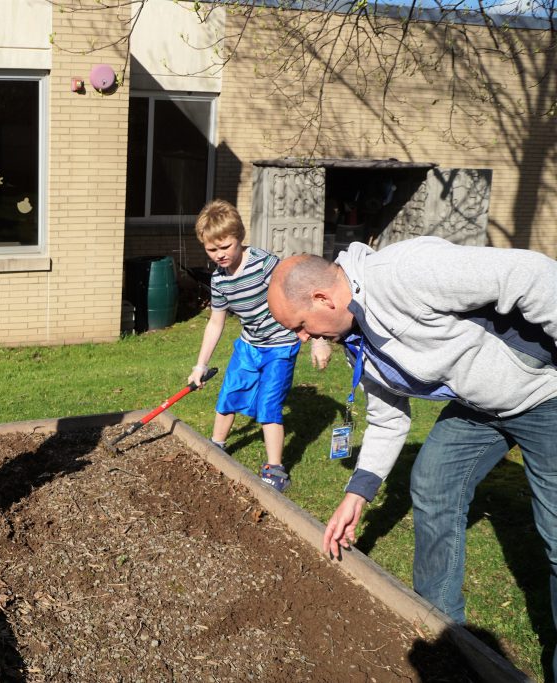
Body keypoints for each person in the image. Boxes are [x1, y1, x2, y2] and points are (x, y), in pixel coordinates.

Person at [267, 236, 557, 674]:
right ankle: (446, 636)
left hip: (544, 394)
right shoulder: (357, 340)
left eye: (301, 325)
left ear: (323, 297)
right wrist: (357, 493)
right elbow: (388, 420)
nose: (304, 338)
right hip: (482, 405)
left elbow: (530, 275)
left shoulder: (403, 272)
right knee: (433, 482)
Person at [188, 200, 331, 492]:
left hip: (280, 345)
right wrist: (200, 365)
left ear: (239, 237)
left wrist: (318, 339)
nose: (220, 255)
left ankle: (275, 467)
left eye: (225, 246)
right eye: (212, 250)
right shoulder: (219, 281)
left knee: (268, 405)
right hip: (249, 345)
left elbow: (299, 297)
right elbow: (216, 322)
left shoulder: (265, 264)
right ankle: (216, 447)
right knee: (230, 394)